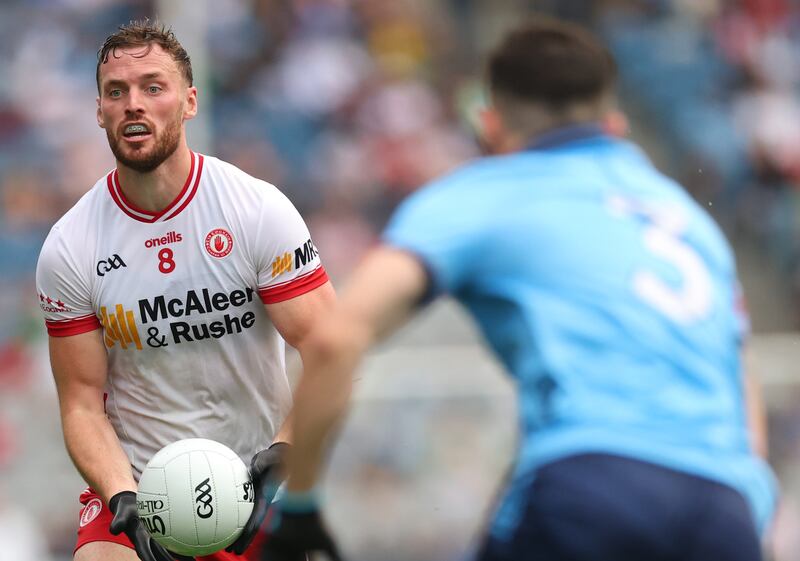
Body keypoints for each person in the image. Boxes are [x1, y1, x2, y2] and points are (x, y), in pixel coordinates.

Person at [261, 18, 778, 561]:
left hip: (593, 482)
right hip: (725, 505)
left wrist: (300, 505)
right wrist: (747, 509)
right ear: (615, 124)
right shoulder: (687, 219)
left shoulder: (481, 196)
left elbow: (335, 340)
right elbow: (738, 377)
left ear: (489, 124)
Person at [35, 20, 334, 561]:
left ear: (190, 102)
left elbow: (330, 351)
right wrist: (121, 494)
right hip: (136, 484)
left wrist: (283, 455)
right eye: (116, 92)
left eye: (153, 87)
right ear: (99, 111)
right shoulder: (70, 246)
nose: (133, 104)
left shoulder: (256, 211)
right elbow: (80, 404)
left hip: (254, 484)